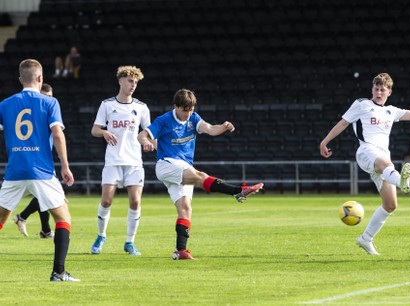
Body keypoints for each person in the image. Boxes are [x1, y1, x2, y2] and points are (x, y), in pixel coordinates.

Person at [138, 88, 264, 260]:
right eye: (185, 110)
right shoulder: (165, 120)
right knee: (199, 176)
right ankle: (238, 190)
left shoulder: (194, 118)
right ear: (176, 106)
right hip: (167, 164)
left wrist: (224, 126)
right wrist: (146, 142)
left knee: (185, 208)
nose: (188, 114)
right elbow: (142, 135)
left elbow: (211, 129)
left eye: (191, 109)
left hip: (184, 167)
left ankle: (180, 251)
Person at [320, 73, 410, 255]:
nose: (379, 92)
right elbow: (342, 124)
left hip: (382, 160)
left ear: (389, 92)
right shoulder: (362, 104)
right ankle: (401, 181)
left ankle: (365, 239)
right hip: (366, 153)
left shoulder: (391, 111)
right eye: (376, 88)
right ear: (372, 89)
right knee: (385, 163)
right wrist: (324, 142)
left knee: (390, 205)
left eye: (383, 89)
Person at [0, 59, 79, 281]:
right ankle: (59, 272)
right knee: (63, 217)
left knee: (1, 219)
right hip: (41, 171)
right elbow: (57, 134)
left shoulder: (5, 104)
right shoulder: (49, 102)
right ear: (40, 78)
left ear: (20, 80)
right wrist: (65, 166)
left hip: (14, 172)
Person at [90, 65, 151, 256]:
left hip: (134, 162)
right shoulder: (107, 105)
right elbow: (94, 130)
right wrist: (104, 132)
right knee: (106, 200)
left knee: (135, 202)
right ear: (120, 81)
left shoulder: (141, 107)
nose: (133, 85)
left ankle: (130, 242)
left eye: (135, 82)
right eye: (130, 81)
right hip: (113, 161)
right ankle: (101, 235)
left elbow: (149, 131)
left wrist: (149, 142)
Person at [12, 83, 55, 239]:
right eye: (45, 97)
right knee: (46, 196)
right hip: (36, 162)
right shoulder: (35, 116)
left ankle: (45, 230)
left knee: (43, 197)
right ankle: (22, 217)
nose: (49, 100)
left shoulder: (48, 112)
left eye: (51, 97)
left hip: (45, 161)